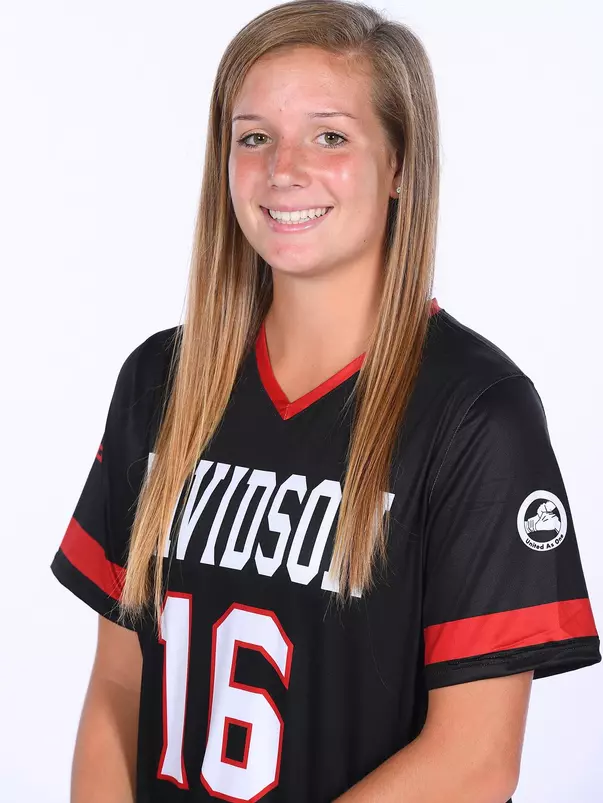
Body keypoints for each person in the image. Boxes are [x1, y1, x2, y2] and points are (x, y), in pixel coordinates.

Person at [50, 1, 601, 801]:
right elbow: (118, 692)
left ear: (402, 164)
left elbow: (474, 759)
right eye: (253, 136)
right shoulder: (157, 380)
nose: (283, 169)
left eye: (330, 135)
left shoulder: (477, 411)